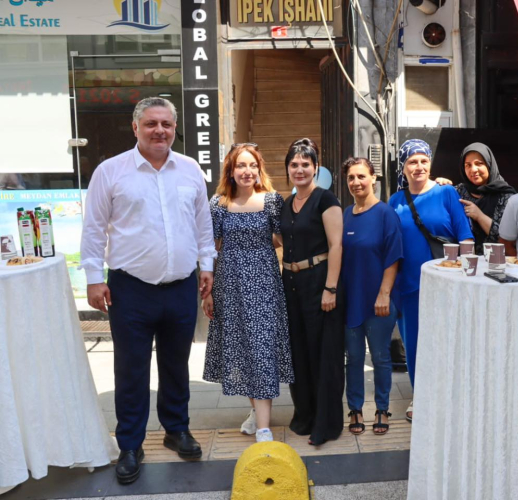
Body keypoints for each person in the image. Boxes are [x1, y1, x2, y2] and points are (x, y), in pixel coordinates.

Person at [80, 97, 216, 484]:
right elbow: (94, 228)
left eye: (166, 124)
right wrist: (93, 277)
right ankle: (129, 443)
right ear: (135, 127)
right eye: (151, 123)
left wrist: (207, 266)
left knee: (176, 364)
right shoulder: (110, 171)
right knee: (131, 368)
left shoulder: (189, 169)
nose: (160, 131)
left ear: (175, 128)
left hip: (181, 286)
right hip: (130, 289)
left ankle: (176, 429)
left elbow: (202, 224)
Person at [201, 143, 294, 443]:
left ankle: (264, 427)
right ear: (230, 170)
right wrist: (208, 292)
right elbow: (211, 248)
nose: (247, 171)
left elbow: (282, 239)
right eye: (241, 165)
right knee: (240, 349)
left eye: (252, 165)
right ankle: (257, 411)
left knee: (262, 349)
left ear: (259, 169)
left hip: (264, 285)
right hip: (229, 286)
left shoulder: (271, 200)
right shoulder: (218, 204)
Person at [388, 139, 473, 422]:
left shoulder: (447, 192)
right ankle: (420, 396)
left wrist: (464, 278)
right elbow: (389, 244)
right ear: (403, 167)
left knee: (448, 342)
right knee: (414, 344)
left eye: (424, 160)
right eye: (412, 161)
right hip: (408, 285)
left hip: (447, 284)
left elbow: (465, 238)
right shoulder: (395, 201)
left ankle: (451, 395)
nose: (419, 166)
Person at [279, 138, 345, 446]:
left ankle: (325, 423)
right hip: (291, 284)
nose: (300, 169)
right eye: (294, 164)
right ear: (287, 169)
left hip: (320, 283)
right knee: (299, 353)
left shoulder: (325, 199)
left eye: (305, 164)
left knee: (323, 355)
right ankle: (304, 415)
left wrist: (330, 288)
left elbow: (336, 245)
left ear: (316, 168)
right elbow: (282, 239)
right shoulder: (287, 203)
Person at [341, 157, 403, 436]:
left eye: (361, 176)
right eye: (351, 178)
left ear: (373, 178)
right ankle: (355, 408)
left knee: (380, 358)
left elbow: (394, 257)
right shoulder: (345, 214)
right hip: (351, 300)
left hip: (379, 301)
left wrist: (384, 294)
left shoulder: (386, 213)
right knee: (353, 358)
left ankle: (382, 409)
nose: (356, 182)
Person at [455, 143, 516, 253]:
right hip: (464, 260)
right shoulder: (459, 191)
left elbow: (507, 239)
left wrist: (479, 216)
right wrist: (441, 184)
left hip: (496, 260)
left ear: (489, 165)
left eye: (479, 164)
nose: (473, 169)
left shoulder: (506, 196)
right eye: (468, 165)